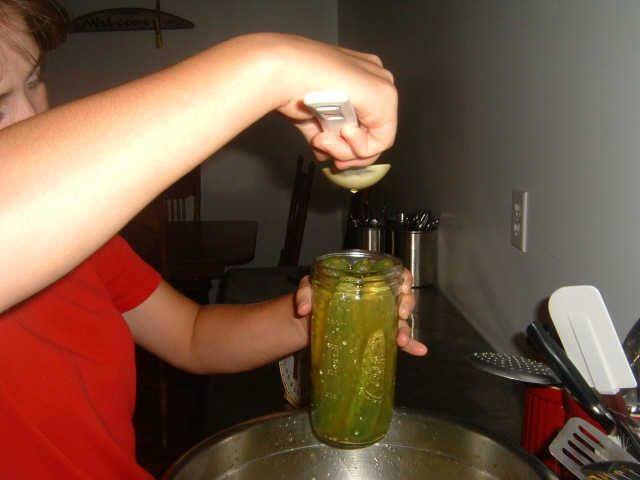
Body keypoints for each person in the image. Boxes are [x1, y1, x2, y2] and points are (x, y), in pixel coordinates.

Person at [0, 0, 427, 478]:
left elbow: (192, 336)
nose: (29, 119)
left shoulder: (85, 242)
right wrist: (272, 64)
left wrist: (326, 316)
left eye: (34, 81)